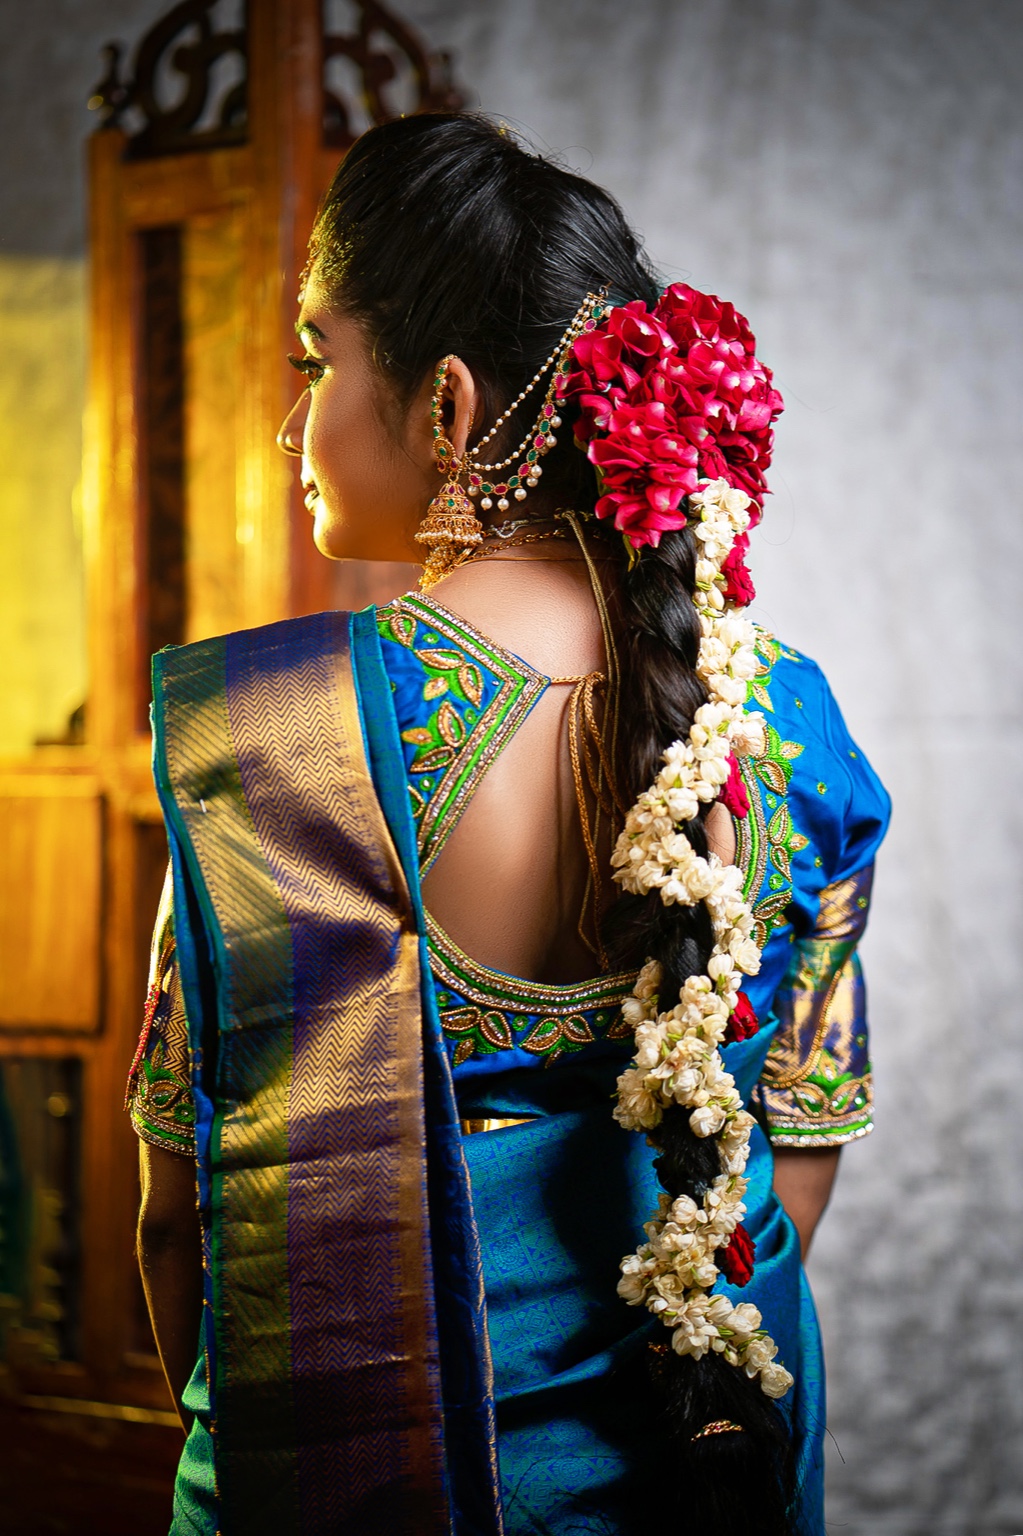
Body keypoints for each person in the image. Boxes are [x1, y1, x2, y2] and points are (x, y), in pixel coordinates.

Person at [127, 114, 890, 1536]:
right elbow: (795, 1150)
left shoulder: (273, 738)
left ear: (448, 408)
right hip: (697, 1475)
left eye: (316, 364)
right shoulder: (789, 727)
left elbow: (178, 1221)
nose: (293, 422)